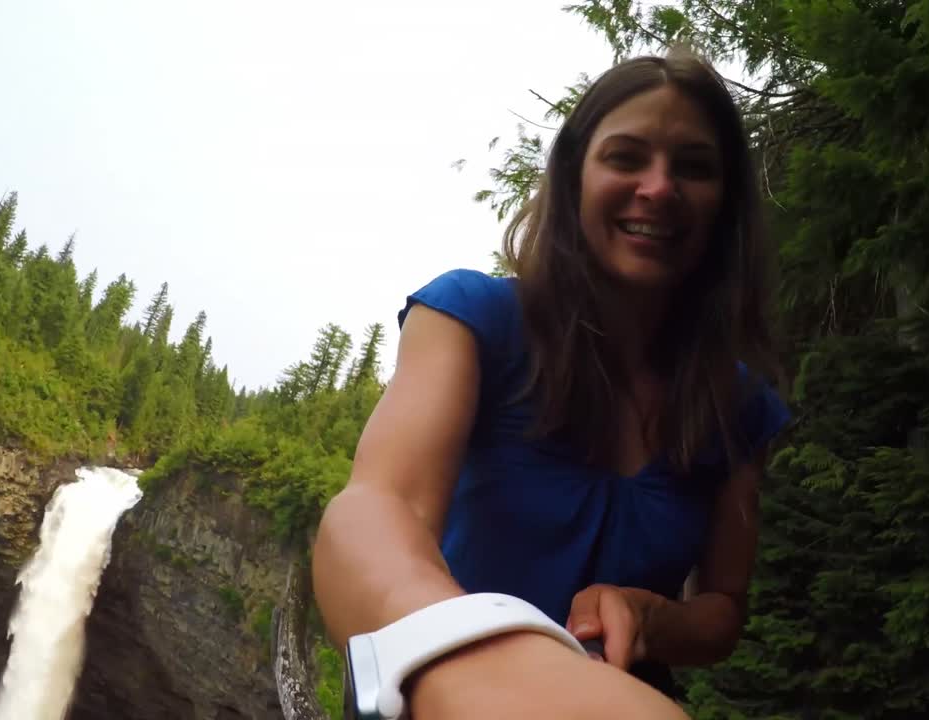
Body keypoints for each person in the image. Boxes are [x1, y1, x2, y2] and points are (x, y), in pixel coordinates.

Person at [312, 46, 791, 719]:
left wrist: (650, 618)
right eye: (626, 157)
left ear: (726, 206)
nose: (658, 188)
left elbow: (722, 611)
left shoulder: (740, 407)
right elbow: (376, 509)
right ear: (572, 179)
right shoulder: (472, 319)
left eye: (694, 168)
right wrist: (472, 656)